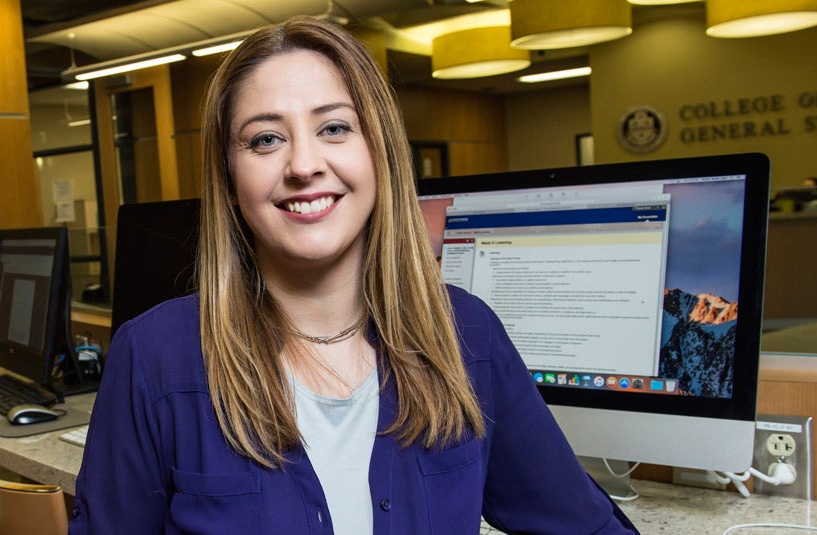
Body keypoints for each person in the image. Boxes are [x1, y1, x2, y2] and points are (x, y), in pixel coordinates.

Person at [69, 16, 637, 534]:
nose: (304, 165)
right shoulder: (154, 357)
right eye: (266, 139)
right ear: (229, 175)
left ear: (379, 150)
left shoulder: (467, 334)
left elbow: (584, 526)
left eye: (335, 128)